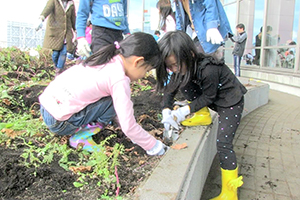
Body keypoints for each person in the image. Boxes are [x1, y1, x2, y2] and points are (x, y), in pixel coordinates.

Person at [39, 32, 166, 156]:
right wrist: (154, 146)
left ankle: (87, 124)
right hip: (60, 122)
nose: (144, 75)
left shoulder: (106, 58)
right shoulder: (119, 79)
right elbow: (128, 125)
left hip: (47, 106)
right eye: (147, 70)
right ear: (137, 62)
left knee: (111, 100)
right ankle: (81, 137)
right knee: (113, 101)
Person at [156, 31, 247, 199]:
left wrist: (184, 111)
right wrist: (166, 109)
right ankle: (203, 114)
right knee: (182, 81)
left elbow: (208, 97)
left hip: (230, 102)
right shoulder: (182, 68)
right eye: (170, 67)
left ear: (190, 54)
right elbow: (170, 89)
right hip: (212, 98)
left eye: (176, 64)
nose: (174, 69)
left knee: (223, 143)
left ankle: (230, 193)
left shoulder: (209, 68)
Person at [35, 0, 76, 76]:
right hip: (55, 32)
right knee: (55, 54)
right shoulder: (54, 1)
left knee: (64, 52)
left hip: (66, 33)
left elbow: (73, 18)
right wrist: (41, 19)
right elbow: (47, 9)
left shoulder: (71, 3)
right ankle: (57, 67)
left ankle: (59, 71)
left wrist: (77, 30)